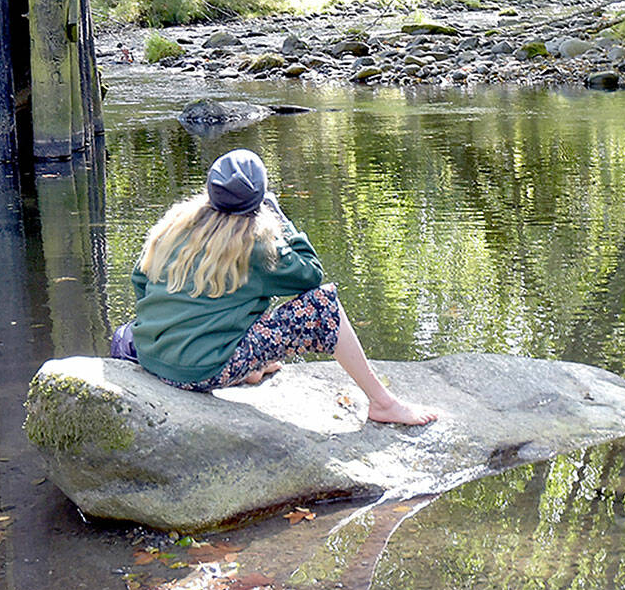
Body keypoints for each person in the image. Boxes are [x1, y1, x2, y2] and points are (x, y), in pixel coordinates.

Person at [130, 148, 437, 426]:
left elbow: (141, 280)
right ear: (259, 199)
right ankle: (383, 403)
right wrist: (282, 219)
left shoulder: (175, 224)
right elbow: (311, 277)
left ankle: (245, 366)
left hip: (149, 357)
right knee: (323, 305)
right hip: (200, 372)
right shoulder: (255, 244)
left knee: (227, 299)